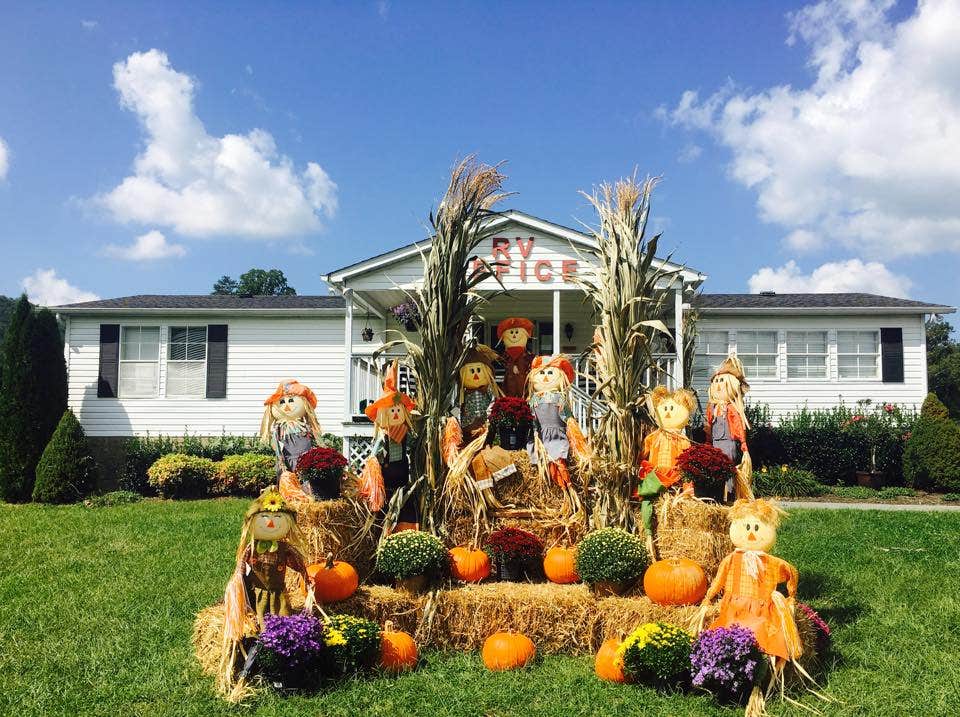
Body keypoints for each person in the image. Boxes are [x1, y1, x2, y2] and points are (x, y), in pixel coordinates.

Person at [358, 360, 420, 531]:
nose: (395, 413)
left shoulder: (406, 434)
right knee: (387, 502)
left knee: (403, 499)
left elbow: (415, 445)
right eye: (391, 411)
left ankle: (404, 527)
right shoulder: (383, 436)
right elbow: (373, 454)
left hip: (402, 471)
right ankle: (385, 527)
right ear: (384, 414)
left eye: (398, 410)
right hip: (387, 474)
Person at [496, 317, 535, 397]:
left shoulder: (527, 354)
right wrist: (511, 367)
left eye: (517, 332)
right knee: (510, 396)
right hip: (510, 382)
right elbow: (503, 362)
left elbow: (530, 363)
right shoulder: (506, 355)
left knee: (523, 396)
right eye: (511, 332)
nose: (514, 335)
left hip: (523, 382)